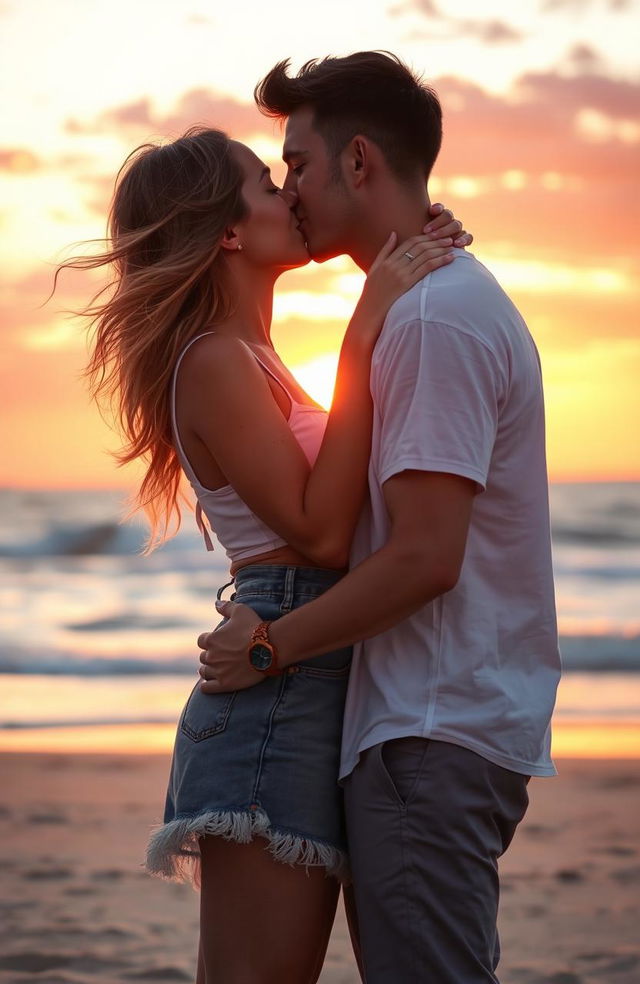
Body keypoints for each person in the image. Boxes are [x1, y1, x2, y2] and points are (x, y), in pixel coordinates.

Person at [54, 122, 470, 983]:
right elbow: (320, 531)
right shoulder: (214, 362)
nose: (289, 192)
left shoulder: (257, 359)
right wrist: (362, 334)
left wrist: (415, 246)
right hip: (273, 684)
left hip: (308, 666)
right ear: (229, 232)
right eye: (264, 181)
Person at [198, 52, 562, 984]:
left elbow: (425, 560)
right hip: (418, 726)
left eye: (299, 166)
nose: (290, 191)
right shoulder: (422, 307)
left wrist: (271, 647)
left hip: (426, 730)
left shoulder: (435, 318)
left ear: (360, 161)